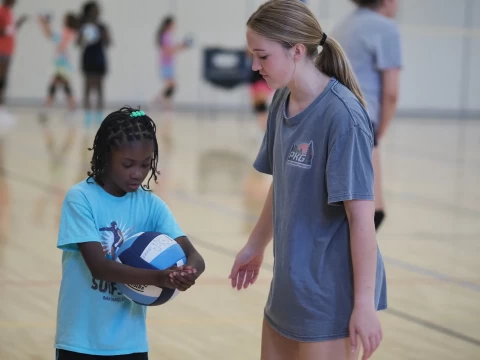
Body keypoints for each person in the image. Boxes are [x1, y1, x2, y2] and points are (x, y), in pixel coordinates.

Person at [228, 1, 386, 359]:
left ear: (297, 51)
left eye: (262, 56)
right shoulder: (281, 100)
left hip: (330, 296)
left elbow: (362, 217)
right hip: (288, 286)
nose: (254, 66)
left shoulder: (342, 116)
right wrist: (255, 246)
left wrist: (364, 304)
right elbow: (282, 186)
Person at [54, 106, 205, 359]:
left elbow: (194, 256)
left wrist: (187, 273)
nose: (138, 173)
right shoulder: (81, 199)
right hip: (79, 341)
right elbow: (99, 267)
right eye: (127, 164)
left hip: (131, 344)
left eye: (146, 164)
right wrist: (159, 278)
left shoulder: (151, 205)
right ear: (105, 155)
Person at [333, 0, 402, 231]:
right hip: (362, 118)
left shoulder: (344, 25)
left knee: (353, 209)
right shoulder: (386, 28)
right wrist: (379, 130)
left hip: (336, 116)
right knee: (370, 212)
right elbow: (391, 93)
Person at [77, 1, 111, 128]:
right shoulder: (83, 27)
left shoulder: (102, 27)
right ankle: (88, 115)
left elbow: (108, 42)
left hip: (99, 59)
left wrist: (103, 35)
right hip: (88, 59)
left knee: (99, 88)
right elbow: (78, 43)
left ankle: (99, 115)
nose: (96, 13)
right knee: (88, 87)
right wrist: (83, 37)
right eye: (94, 10)